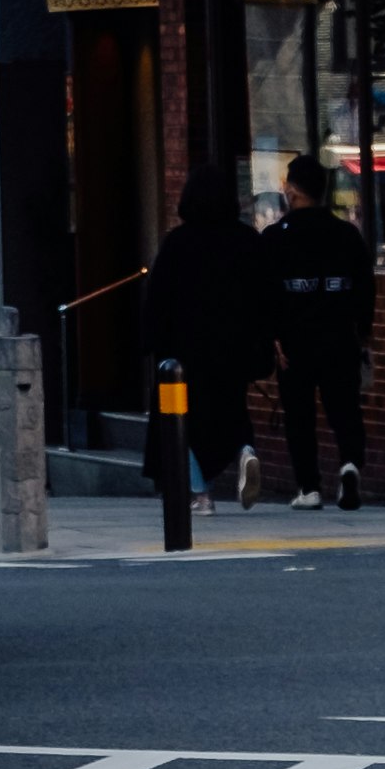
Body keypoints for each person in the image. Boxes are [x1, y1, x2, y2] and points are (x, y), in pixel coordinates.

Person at [272, 147, 376, 513]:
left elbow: (263, 291)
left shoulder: (276, 237)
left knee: (299, 415)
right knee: (344, 409)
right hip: (339, 336)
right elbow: (365, 288)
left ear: (293, 192)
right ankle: (349, 464)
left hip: (294, 340)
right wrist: (363, 331)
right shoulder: (346, 235)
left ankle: (309, 487)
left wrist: (272, 335)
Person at [146, 164, 255, 512]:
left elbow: (157, 299)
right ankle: (245, 451)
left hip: (186, 350)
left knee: (182, 422)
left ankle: (200, 494)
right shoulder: (247, 240)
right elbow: (265, 296)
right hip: (235, 347)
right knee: (232, 411)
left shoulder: (178, 243)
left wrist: (152, 340)